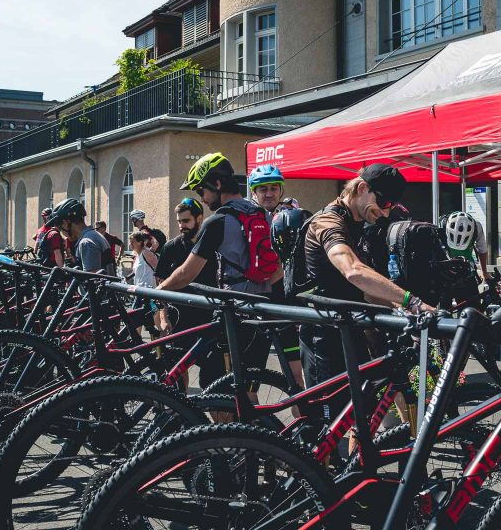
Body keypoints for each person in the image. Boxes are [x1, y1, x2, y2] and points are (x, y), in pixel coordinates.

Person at [301, 164, 434, 389]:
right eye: (383, 203)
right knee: (332, 410)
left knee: (365, 402)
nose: (386, 212)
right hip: (323, 333)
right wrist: (413, 302)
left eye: (392, 206)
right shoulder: (328, 222)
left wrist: (402, 309)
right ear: (362, 188)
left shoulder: (356, 224)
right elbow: (353, 271)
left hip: (348, 326)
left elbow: (365, 289)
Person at [157, 153, 278, 389]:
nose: (202, 198)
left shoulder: (217, 221)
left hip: (234, 313)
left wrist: (158, 291)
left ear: (218, 184)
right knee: (246, 388)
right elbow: (277, 268)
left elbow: (186, 273)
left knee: (214, 384)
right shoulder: (261, 213)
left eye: (201, 191)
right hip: (262, 309)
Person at [247, 164, 305, 390]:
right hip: (256, 309)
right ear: (254, 192)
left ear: (281, 190)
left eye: (273, 188)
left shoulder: (290, 221)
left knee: (296, 379)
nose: (269, 193)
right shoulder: (247, 221)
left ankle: (301, 413)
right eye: (263, 189)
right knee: (249, 383)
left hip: (283, 309)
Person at [155, 197, 214, 335]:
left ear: (199, 219)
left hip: (210, 316)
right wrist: (163, 319)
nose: (181, 226)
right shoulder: (170, 247)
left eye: (186, 221)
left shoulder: (213, 245)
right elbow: (160, 287)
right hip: (179, 318)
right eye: (179, 221)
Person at [45, 198, 115, 274]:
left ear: (65, 223)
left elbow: (92, 278)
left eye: (60, 229)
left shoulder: (86, 243)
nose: (62, 234)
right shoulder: (94, 235)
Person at [442, 211, 491, 282]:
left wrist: (484, 273)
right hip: (446, 268)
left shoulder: (477, 227)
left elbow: (482, 250)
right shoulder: (442, 226)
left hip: (468, 266)